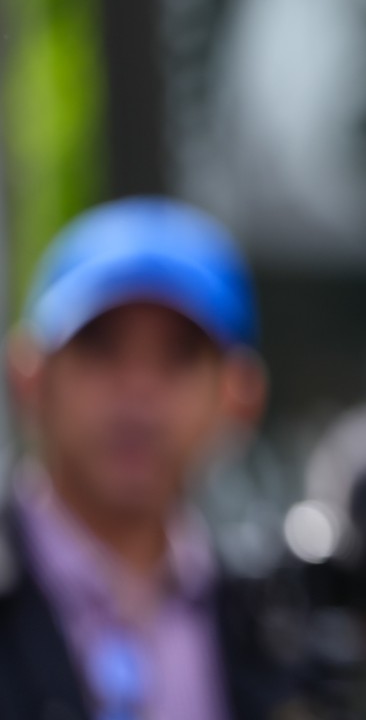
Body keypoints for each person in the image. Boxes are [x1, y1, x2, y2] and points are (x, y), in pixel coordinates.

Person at [0, 197, 302, 720]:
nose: (138, 390)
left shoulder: (277, 627)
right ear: (31, 378)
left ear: (239, 397)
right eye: (100, 346)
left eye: (180, 354)